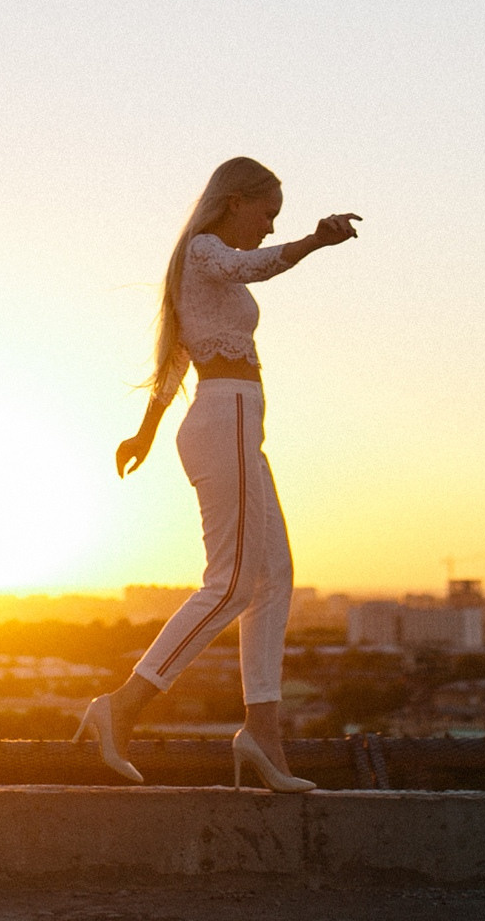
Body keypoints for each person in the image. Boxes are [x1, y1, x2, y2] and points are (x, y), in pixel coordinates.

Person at [75, 156, 360, 792]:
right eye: (267, 213)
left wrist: (145, 432)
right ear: (233, 202)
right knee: (231, 584)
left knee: (274, 577)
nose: (269, 226)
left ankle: (262, 734)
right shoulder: (206, 252)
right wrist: (313, 240)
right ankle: (121, 708)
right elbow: (248, 265)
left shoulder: (204, 269)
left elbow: (175, 355)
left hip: (236, 425)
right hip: (225, 417)